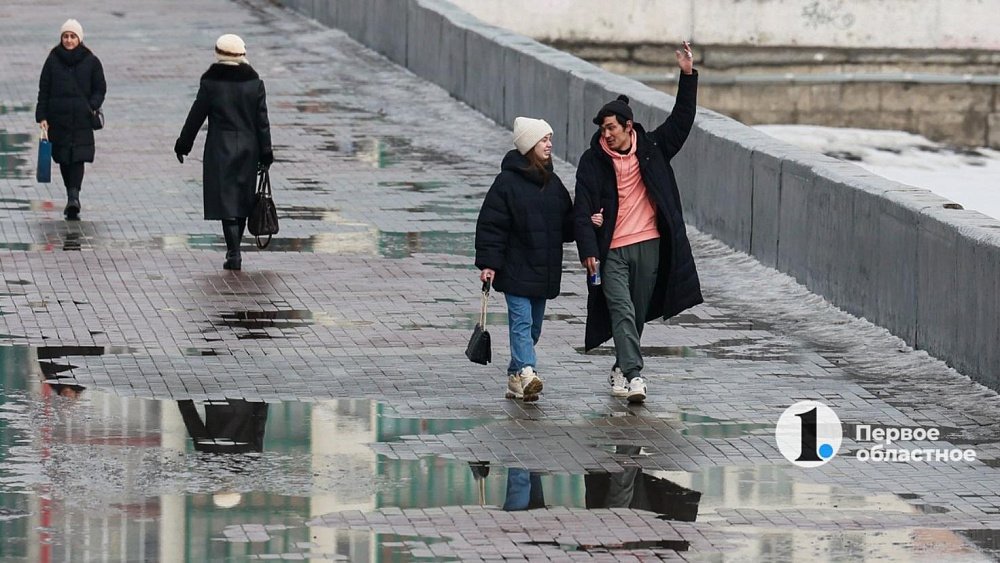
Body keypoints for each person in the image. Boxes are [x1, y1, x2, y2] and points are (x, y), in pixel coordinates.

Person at [574, 41, 702, 404]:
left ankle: (620, 366)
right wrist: (588, 250)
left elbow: (682, 120)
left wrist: (687, 74)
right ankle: (634, 375)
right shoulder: (592, 161)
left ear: (629, 126)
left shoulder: (653, 148)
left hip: (649, 244)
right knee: (621, 308)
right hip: (611, 248)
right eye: (603, 130)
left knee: (637, 312)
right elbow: (581, 207)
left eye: (612, 128)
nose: (606, 135)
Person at [475, 117, 582, 402]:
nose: (550, 144)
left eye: (550, 139)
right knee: (521, 325)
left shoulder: (553, 183)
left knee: (533, 328)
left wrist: (589, 220)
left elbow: (567, 227)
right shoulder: (506, 183)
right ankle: (526, 371)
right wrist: (488, 263)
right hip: (515, 270)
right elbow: (491, 225)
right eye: (544, 139)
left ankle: (515, 375)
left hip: (542, 270)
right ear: (529, 144)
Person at [175, 34, 273, 271]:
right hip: (249, 149)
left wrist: (183, 145)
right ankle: (234, 251)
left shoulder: (211, 84)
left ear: (218, 54)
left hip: (220, 148)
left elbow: (195, 116)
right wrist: (266, 153)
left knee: (226, 201)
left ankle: (234, 252)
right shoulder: (255, 84)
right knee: (241, 199)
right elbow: (262, 122)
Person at [35, 19, 107, 220]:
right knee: (63, 158)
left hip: (82, 119)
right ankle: (71, 194)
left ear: (79, 39)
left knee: (77, 157)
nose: (68, 40)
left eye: (72, 36)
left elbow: (100, 88)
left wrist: (91, 105)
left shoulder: (91, 61)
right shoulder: (52, 60)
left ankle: (73, 197)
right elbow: (44, 90)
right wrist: (42, 116)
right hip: (58, 119)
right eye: (65, 36)